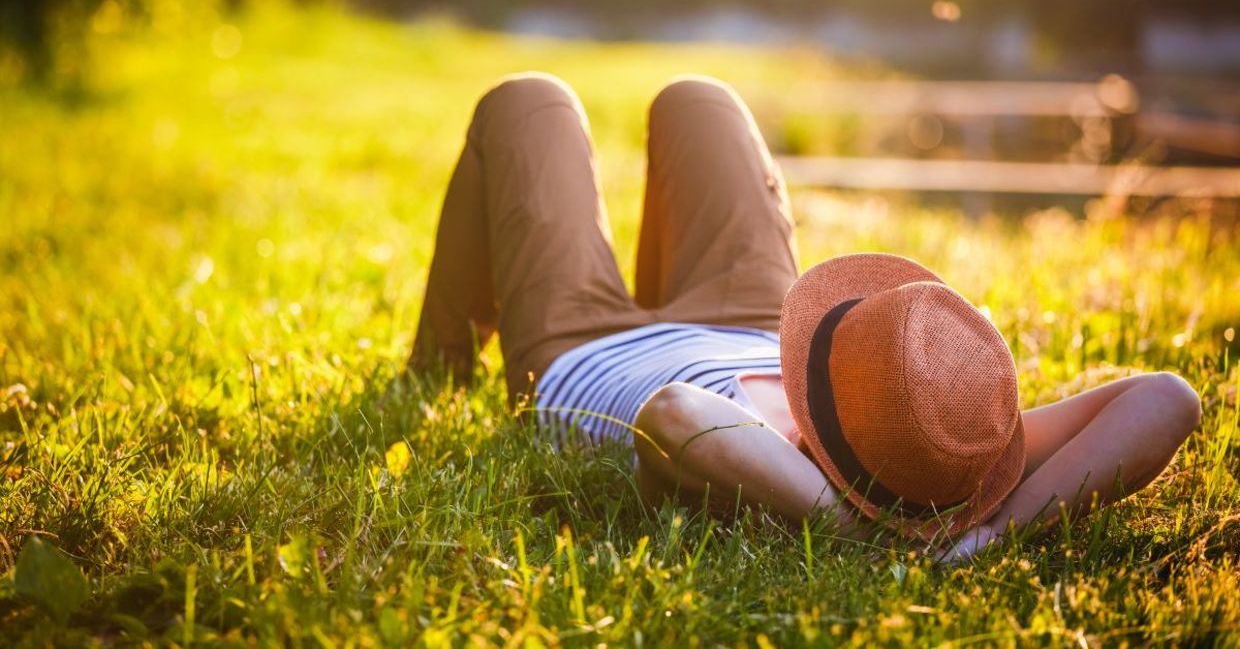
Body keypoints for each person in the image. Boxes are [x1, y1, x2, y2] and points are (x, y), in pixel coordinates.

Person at [410, 72, 1202, 559]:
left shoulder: (763, 477)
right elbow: (1168, 396)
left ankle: (434, 368)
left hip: (587, 345)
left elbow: (675, 410)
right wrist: (987, 535)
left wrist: (859, 533)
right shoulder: (949, 451)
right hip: (756, 323)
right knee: (699, 100)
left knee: (526, 101)